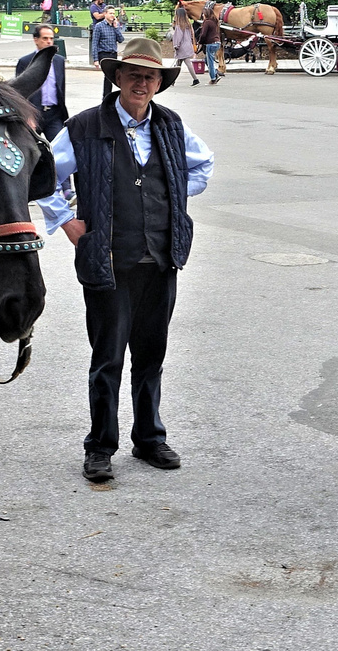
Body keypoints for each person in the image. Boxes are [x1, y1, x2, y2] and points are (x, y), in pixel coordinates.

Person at [38, 37, 215, 483]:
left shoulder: (171, 126)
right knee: (108, 358)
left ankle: (149, 438)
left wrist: (172, 197)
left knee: (151, 354)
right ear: (117, 78)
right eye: (133, 74)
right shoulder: (83, 127)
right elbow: (44, 178)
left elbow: (203, 166)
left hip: (159, 258)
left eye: (150, 76)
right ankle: (100, 446)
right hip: (107, 260)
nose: (141, 82)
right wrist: (68, 223)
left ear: (160, 83)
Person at [16, 24, 69, 139]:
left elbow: (61, 88)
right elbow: (19, 93)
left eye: (51, 38)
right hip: (34, 114)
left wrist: (61, 115)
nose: (49, 42)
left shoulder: (59, 61)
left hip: (54, 114)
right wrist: (27, 116)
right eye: (45, 38)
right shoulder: (25, 62)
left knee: (59, 148)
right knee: (31, 150)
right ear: (36, 40)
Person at [91, 7, 125, 100]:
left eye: (113, 13)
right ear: (105, 14)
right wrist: (95, 59)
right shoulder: (99, 26)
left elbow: (121, 40)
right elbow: (95, 43)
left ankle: (114, 96)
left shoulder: (114, 26)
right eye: (110, 13)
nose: (112, 15)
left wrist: (116, 28)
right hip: (103, 53)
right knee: (108, 76)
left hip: (113, 53)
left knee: (114, 76)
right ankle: (106, 97)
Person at [170, 7, 199, 86]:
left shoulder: (179, 25)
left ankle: (195, 79)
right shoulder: (188, 24)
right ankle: (172, 81)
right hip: (188, 45)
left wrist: (176, 45)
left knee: (185, 63)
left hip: (181, 46)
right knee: (178, 63)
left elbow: (178, 36)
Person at [196, 4, 221, 85]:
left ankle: (213, 78)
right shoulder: (214, 21)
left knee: (210, 62)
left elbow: (203, 34)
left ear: (206, 14)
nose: (202, 15)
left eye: (203, 14)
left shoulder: (207, 22)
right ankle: (215, 73)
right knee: (207, 60)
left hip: (210, 44)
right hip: (217, 43)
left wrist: (200, 42)